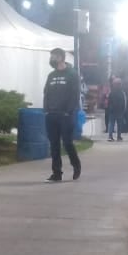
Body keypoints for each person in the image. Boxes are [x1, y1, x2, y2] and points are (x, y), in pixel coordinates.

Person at [43, 47, 81, 182]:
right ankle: (57, 173)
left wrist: (68, 111)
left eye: (53, 56)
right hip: (51, 115)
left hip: (66, 115)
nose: (51, 59)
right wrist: (46, 109)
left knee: (67, 143)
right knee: (54, 145)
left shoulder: (72, 74)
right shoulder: (51, 75)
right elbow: (46, 93)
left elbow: (75, 95)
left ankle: (76, 165)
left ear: (60, 57)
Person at [106, 76, 128, 142]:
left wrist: (109, 108)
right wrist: (124, 109)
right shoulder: (122, 93)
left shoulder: (111, 92)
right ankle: (119, 136)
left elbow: (108, 101)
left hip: (112, 110)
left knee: (111, 123)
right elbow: (125, 102)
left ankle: (110, 136)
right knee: (119, 124)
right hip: (120, 110)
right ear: (120, 84)